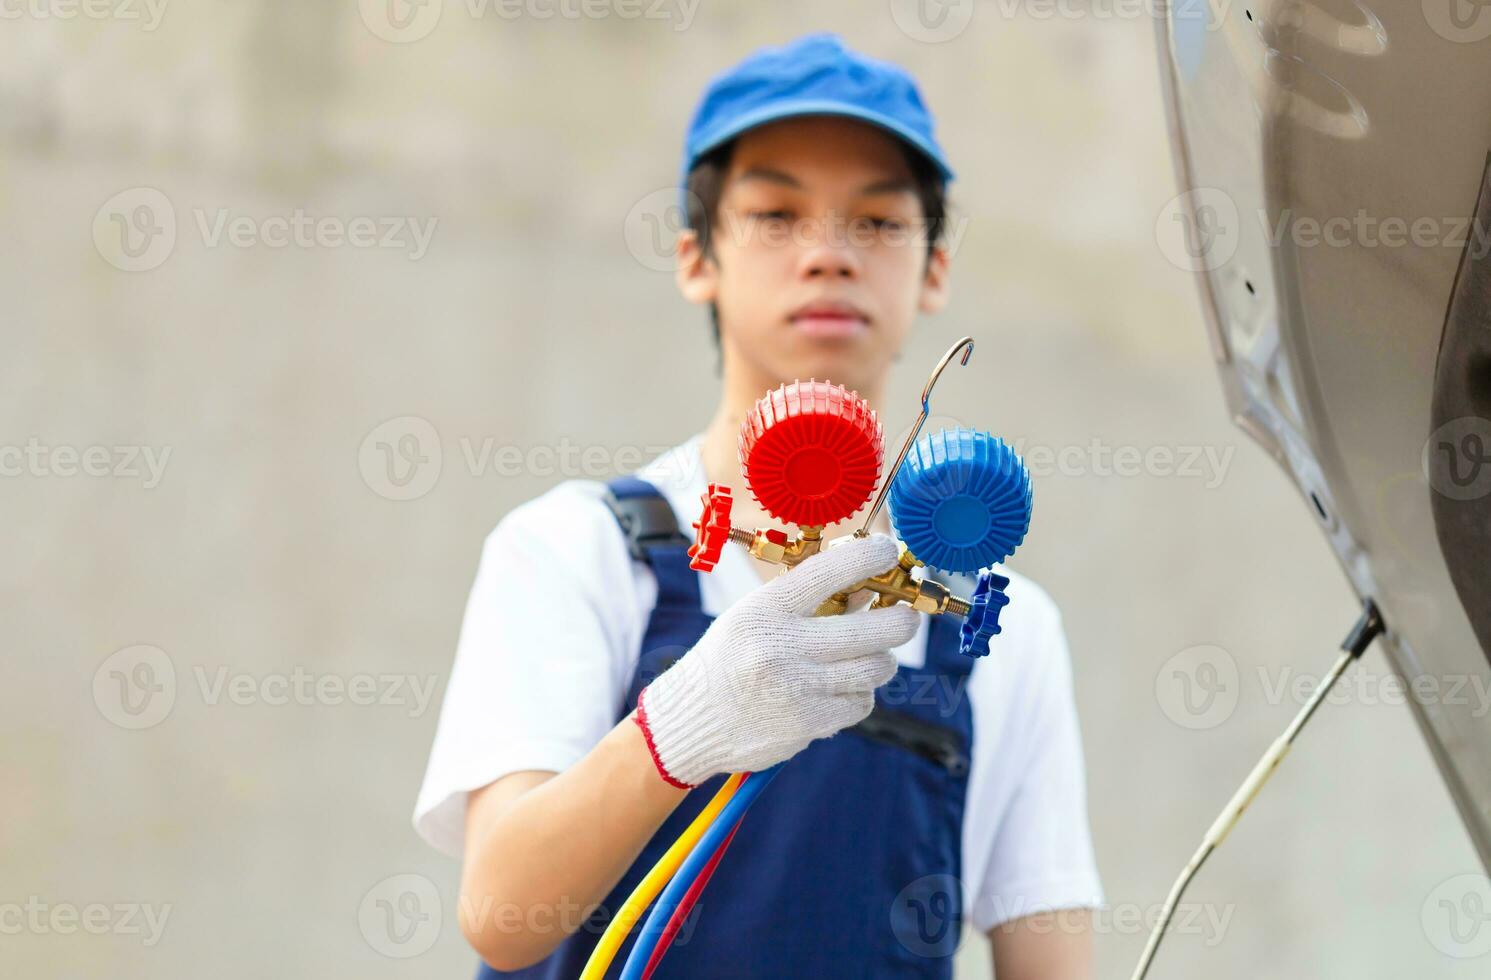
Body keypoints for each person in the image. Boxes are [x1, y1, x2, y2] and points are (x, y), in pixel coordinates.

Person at [414, 32, 1102, 979]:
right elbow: (501, 912)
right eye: (775, 214)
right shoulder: (574, 550)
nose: (825, 254)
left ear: (934, 268)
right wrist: (688, 719)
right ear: (697, 258)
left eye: (877, 222)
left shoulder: (1002, 626)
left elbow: (1051, 957)